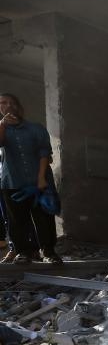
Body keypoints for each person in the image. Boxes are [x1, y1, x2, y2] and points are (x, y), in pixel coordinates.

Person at [0, 93, 60, 265]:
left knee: (44, 217)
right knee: (17, 220)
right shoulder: (2, 128)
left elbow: (44, 153)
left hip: (39, 181)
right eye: (3, 103)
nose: (8, 105)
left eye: (12, 102)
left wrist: (41, 178)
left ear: (19, 107)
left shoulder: (35, 128)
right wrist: (2, 124)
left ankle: (48, 252)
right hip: (12, 181)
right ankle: (24, 252)